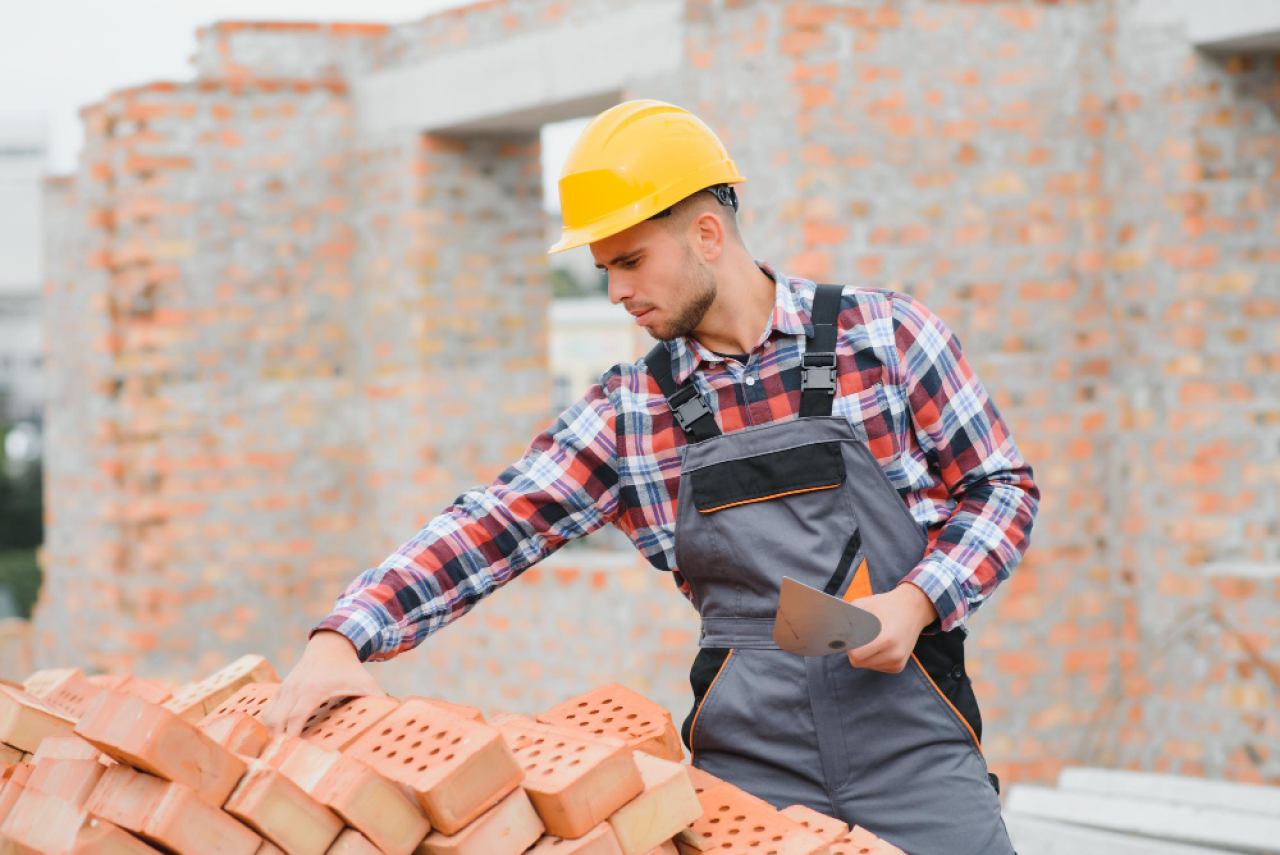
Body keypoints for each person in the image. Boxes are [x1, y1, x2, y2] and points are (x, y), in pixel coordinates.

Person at [262, 99, 1039, 854]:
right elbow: (492, 522)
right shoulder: (633, 412)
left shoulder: (885, 336)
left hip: (917, 752)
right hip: (749, 771)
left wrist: (918, 598)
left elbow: (1002, 487)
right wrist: (346, 635)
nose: (616, 292)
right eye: (604, 268)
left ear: (706, 233)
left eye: (630, 260)